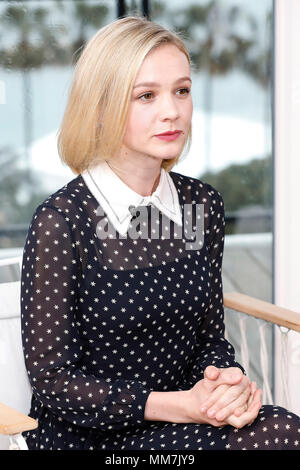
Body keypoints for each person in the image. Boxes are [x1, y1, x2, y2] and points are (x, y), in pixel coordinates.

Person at [20, 15, 300, 451]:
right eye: (146, 96)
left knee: (281, 426)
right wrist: (181, 406)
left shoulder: (201, 205)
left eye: (182, 91)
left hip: (184, 425)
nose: (172, 111)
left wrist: (226, 386)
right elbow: (55, 383)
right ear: (101, 107)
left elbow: (209, 339)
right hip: (90, 439)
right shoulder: (62, 220)